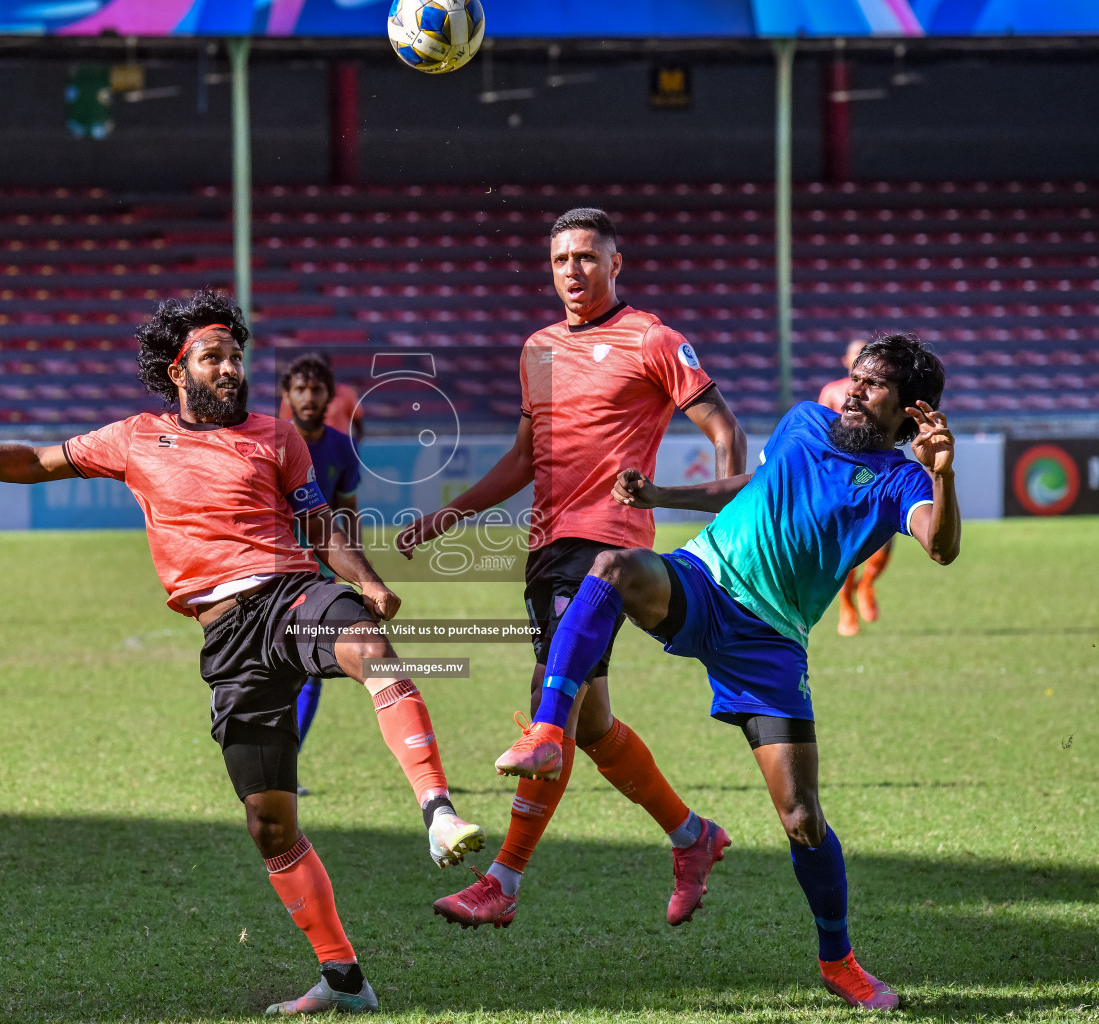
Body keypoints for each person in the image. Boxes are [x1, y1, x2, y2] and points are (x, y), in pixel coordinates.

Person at [0, 290, 484, 1016]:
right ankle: (342, 977)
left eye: (236, 356)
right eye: (215, 357)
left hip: (289, 596)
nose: (231, 368)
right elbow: (40, 460)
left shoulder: (276, 436)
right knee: (270, 823)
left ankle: (438, 811)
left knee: (369, 646)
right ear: (179, 371)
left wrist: (366, 581)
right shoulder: (135, 438)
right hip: (227, 636)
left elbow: (319, 523)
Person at [496, 332, 957, 1010]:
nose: (854, 390)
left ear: (912, 409)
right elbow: (754, 486)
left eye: (874, 384)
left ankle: (839, 962)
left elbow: (940, 547)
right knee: (612, 567)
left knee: (801, 817)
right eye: (855, 377)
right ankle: (545, 728)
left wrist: (942, 472)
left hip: (769, 642)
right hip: (703, 581)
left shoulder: (903, 479)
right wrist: (662, 493)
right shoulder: (804, 419)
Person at [395, 208, 746, 930]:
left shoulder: (653, 339)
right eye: (560, 260)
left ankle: (503, 883)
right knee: (592, 725)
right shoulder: (539, 348)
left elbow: (725, 432)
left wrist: (711, 497)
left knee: (548, 700)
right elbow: (526, 459)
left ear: (617, 264)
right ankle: (693, 837)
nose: (572, 271)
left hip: (607, 547)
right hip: (546, 547)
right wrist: (450, 514)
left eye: (586, 257)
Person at [280, 353, 363, 786]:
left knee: (311, 671)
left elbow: (347, 513)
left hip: (319, 574)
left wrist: (360, 573)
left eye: (315, 389)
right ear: (286, 394)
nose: (308, 397)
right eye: (299, 388)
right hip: (273, 570)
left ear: (329, 396)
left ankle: (284, 767)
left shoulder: (341, 447)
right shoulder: (272, 443)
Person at [820, 338, 892, 636]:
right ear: (845, 360)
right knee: (847, 544)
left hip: (877, 471)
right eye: (855, 355)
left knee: (885, 542)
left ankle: (867, 585)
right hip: (843, 476)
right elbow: (823, 432)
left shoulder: (883, 393)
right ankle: (846, 603)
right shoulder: (833, 391)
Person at [279, 354, 363, 441]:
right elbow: (285, 424)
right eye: (301, 389)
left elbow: (358, 424)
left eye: (316, 390)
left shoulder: (347, 393)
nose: (309, 398)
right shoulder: (292, 398)